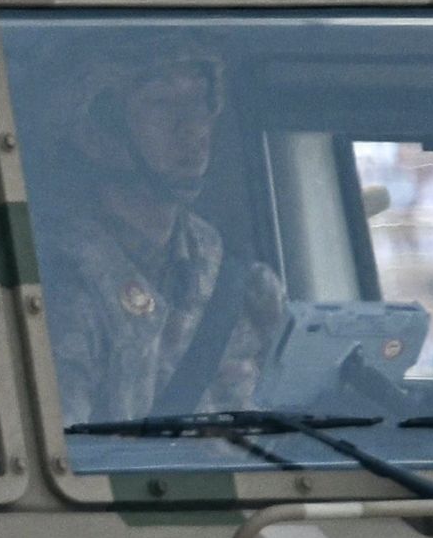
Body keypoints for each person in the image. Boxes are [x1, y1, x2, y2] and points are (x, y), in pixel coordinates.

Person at [25, 33, 282, 429]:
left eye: (200, 102)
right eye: (162, 104)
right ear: (94, 129)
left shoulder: (236, 279)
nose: (194, 128)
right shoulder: (55, 281)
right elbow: (64, 461)